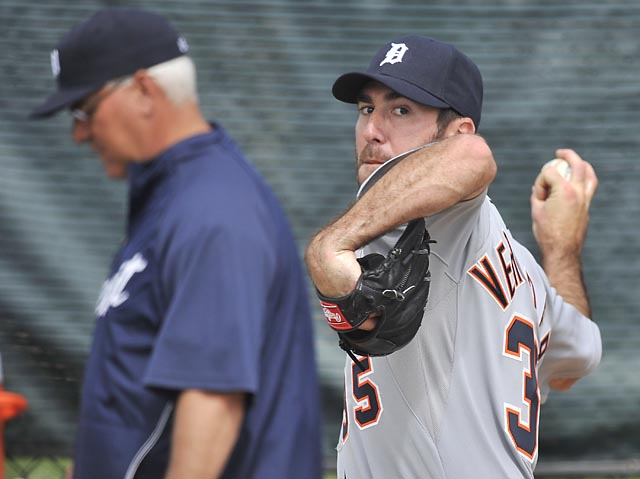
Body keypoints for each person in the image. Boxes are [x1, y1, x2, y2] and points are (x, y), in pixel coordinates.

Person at [29, 8, 322, 479]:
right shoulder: (176, 193)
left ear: (143, 90)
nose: (78, 133)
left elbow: (212, 396)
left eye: (84, 110)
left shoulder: (212, 211)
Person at [305, 35, 601, 478]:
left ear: (457, 130)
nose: (372, 130)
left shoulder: (437, 221)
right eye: (367, 109)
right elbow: (577, 358)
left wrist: (327, 246)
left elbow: (472, 156)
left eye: (401, 110)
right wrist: (561, 247)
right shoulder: (525, 272)